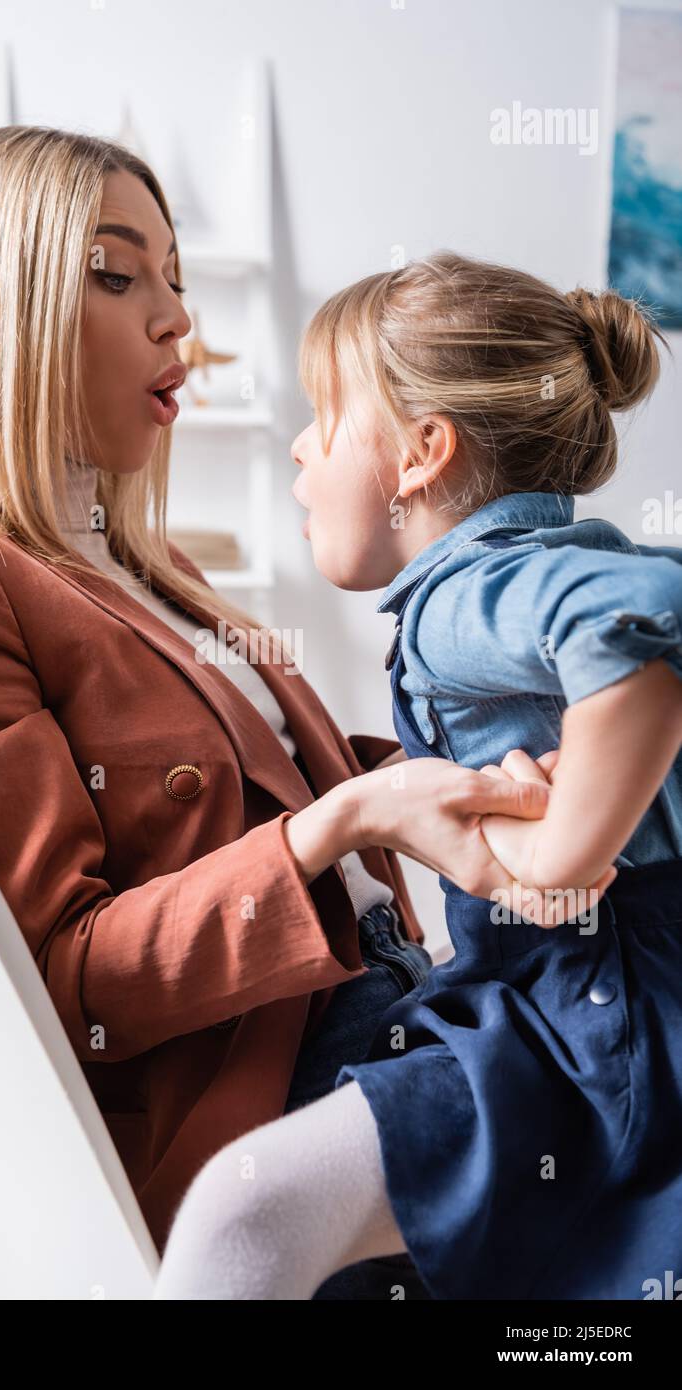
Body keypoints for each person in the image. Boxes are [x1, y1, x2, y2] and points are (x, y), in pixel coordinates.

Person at [0, 135, 580, 1298]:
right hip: (284, 1088)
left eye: (177, 276)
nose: (180, 321)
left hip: (403, 1005)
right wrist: (353, 818)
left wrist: (494, 778)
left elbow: (256, 787)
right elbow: (68, 981)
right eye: (117, 274)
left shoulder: (137, 558)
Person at [153, 252, 682, 1301]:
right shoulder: (544, 565)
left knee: (243, 1208)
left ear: (420, 453)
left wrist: (556, 853)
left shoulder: (461, 600)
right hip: (597, 995)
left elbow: (641, 648)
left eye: (323, 416)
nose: (300, 447)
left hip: (587, 1015)